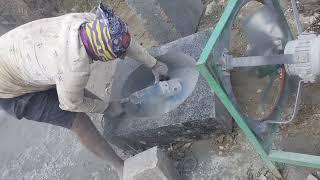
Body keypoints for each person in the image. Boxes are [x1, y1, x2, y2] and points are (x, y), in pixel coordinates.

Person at [0, 3, 168, 179]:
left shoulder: (90, 23)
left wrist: (154, 64)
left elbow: (122, 39)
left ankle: (116, 118)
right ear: (101, 56)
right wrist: (107, 107)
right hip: (11, 90)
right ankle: (121, 167)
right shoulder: (74, 67)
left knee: (74, 88)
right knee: (78, 120)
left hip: (21, 53)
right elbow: (71, 103)